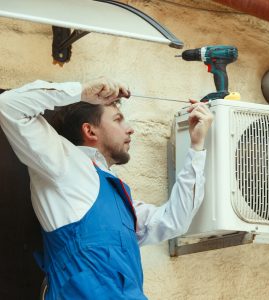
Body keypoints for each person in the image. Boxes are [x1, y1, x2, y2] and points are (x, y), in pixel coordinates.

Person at [0, 77, 213, 300]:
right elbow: (8, 106)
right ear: (90, 131)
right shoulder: (63, 163)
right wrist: (82, 91)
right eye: (118, 119)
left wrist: (196, 147)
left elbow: (174, 220)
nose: (130, 129)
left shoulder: (119, 197)